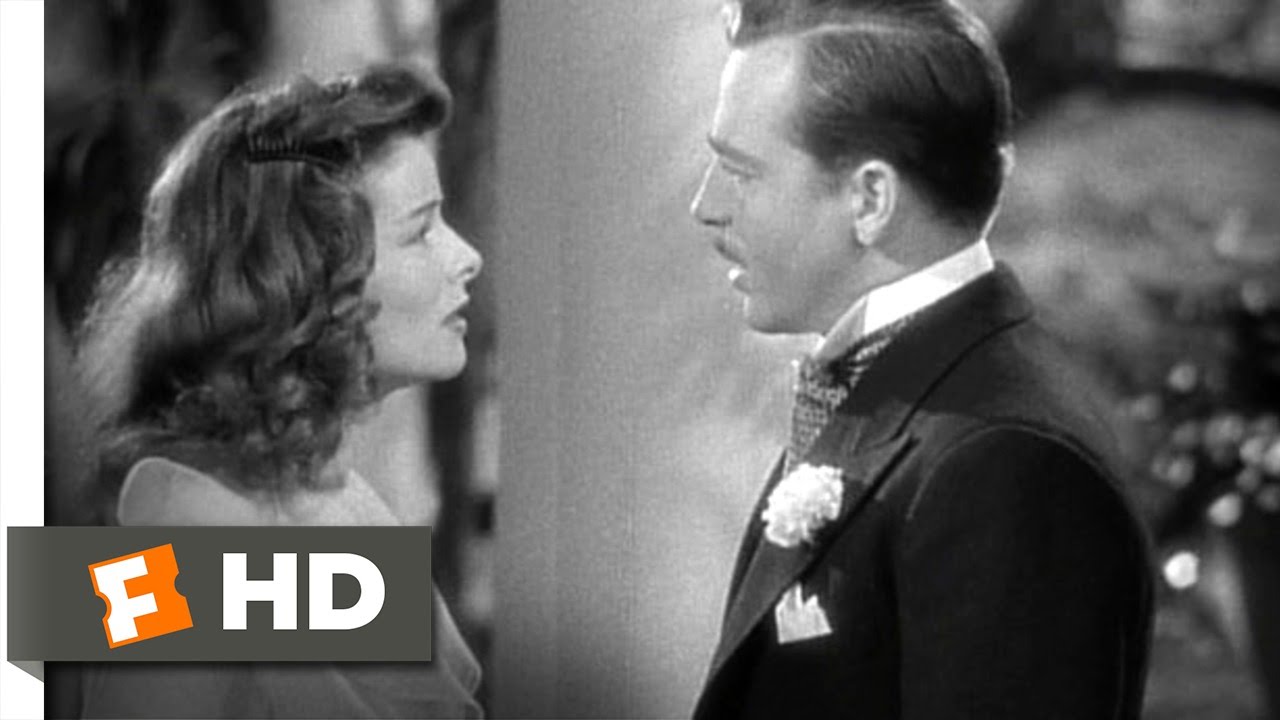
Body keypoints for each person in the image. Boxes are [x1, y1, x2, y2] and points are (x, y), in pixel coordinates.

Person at [688, 1, 1153, 718]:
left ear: (871, 198)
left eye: (740, 172)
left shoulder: (1005, 462)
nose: (706, 205)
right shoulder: (906, 392)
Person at [62, 63, 483, 718]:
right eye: (421, 230)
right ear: (312, 276)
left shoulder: (337, 499)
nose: (467, 257)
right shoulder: (184, 530)